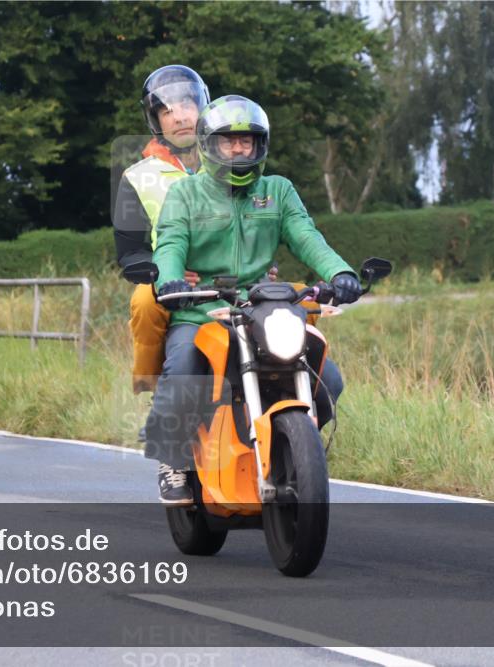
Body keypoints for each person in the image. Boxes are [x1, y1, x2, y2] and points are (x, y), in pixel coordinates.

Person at [146, 95, 362, 504]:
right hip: (199, 307)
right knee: (184, 366)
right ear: (209, 144)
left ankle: (295, 450)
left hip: (260, 307)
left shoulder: (278, 191)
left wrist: (340, 273)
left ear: (259, 145)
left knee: (328, 379)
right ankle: (173, 459)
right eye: (228, 141)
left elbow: (306, 236)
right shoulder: (185, 195)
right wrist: (170, 281)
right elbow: (170, 243)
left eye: (247, 141)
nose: (238, 149)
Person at [113, 65, 209, 394]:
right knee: (143, 301)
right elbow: (130, 253)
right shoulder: (136, 177)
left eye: (185, 105)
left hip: (233, 274)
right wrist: (165, 272)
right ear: (156, 121)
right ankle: (150, 385)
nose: (178, 117)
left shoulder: (234, 162)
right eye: (166, 111)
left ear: (202, 107)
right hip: (171, 283)